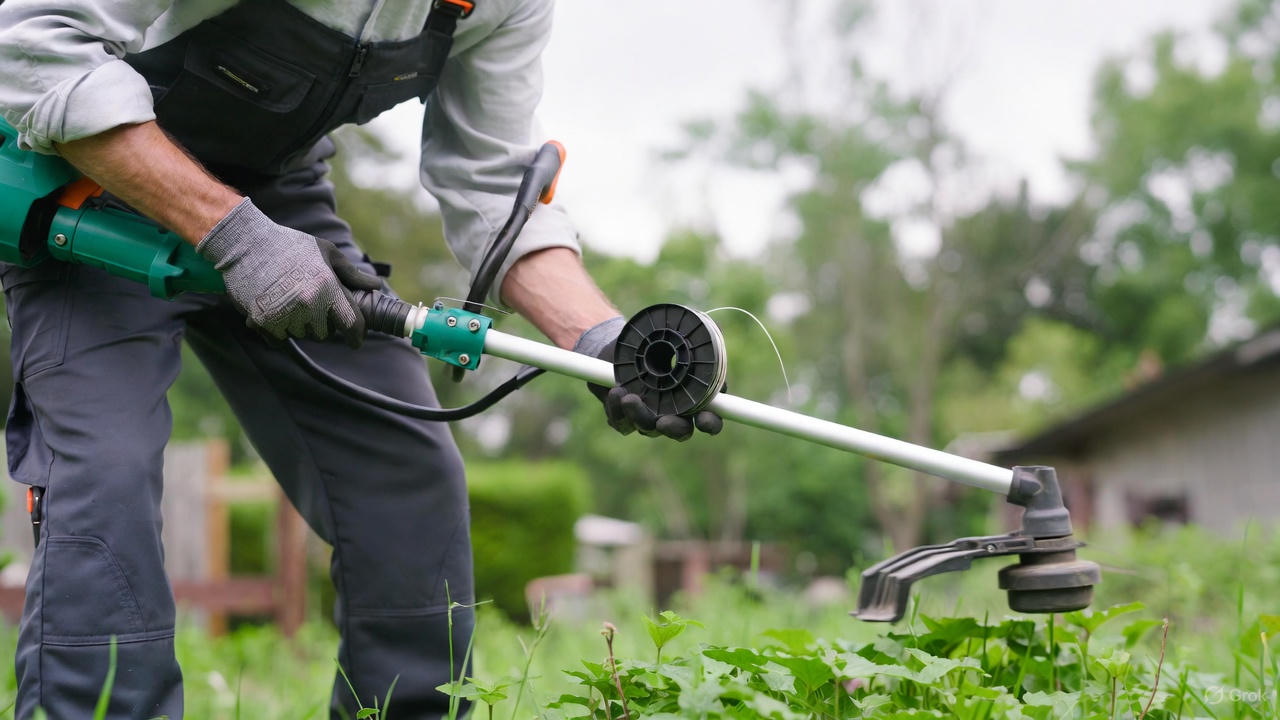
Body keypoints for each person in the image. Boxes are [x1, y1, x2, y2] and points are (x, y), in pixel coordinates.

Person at [0, 0, 721, 717]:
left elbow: (495, 181)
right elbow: (35, 42)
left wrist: (598, 338)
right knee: (107, 474)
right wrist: (233, 235)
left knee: (408, 473)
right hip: (90, 167)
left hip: (277, 192)